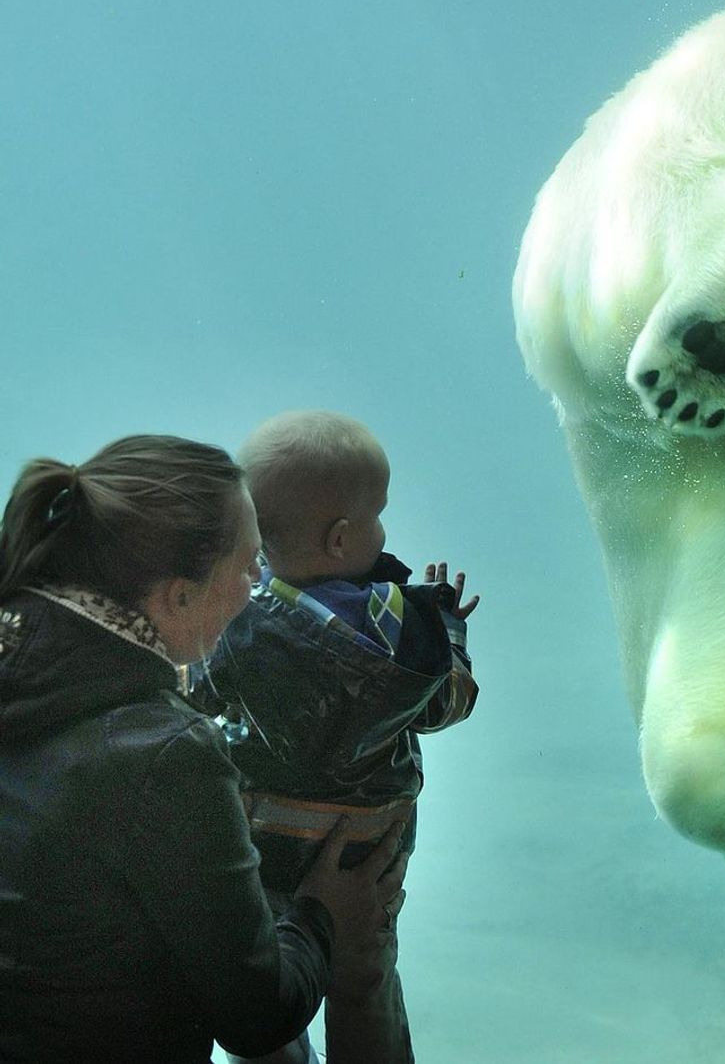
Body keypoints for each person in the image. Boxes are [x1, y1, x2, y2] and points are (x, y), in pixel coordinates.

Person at [0, 435, 407, 1064]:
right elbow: (257, 1017)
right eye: (249, 565)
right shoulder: (165, 754)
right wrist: (321, 913)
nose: (258, 586)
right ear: (178, 594)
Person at [186, 411, 479, 1064]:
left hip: (262, 839)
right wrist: (452, 637)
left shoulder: (235, 614)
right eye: (377, 513)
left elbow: (195, 692)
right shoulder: (400, 622)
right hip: (368, 847)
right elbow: (444, 706)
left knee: (268, 979)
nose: (384, 528)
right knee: (365, 977)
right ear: (342, 539)